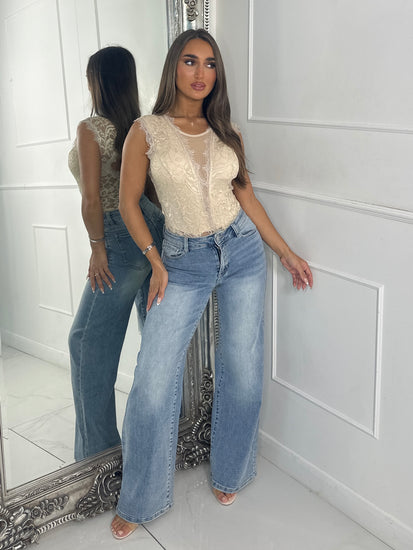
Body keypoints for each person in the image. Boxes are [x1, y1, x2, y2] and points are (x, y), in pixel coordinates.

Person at [110, 29, 313, 539]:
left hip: (241, 249)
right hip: (183, 259)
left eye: (210, 63)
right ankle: (140, 498)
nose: (201, 73)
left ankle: (231, 471)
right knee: (154, 380)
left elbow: (247, 198)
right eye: (190, 61)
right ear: (173, 68)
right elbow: (128, 203)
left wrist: (285, 252)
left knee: (241, 366)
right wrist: (156, 262)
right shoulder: (146, 131)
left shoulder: (228, 131)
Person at [68, 46, 164, 461]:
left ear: (99, 81)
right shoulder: (138, 127)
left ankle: (99, 458)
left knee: (85, 344)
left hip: (116, 237)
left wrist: (97, 248)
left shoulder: (91, 128)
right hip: (148, 229)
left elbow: (92, 199)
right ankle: (152, 442)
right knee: (154, 343)